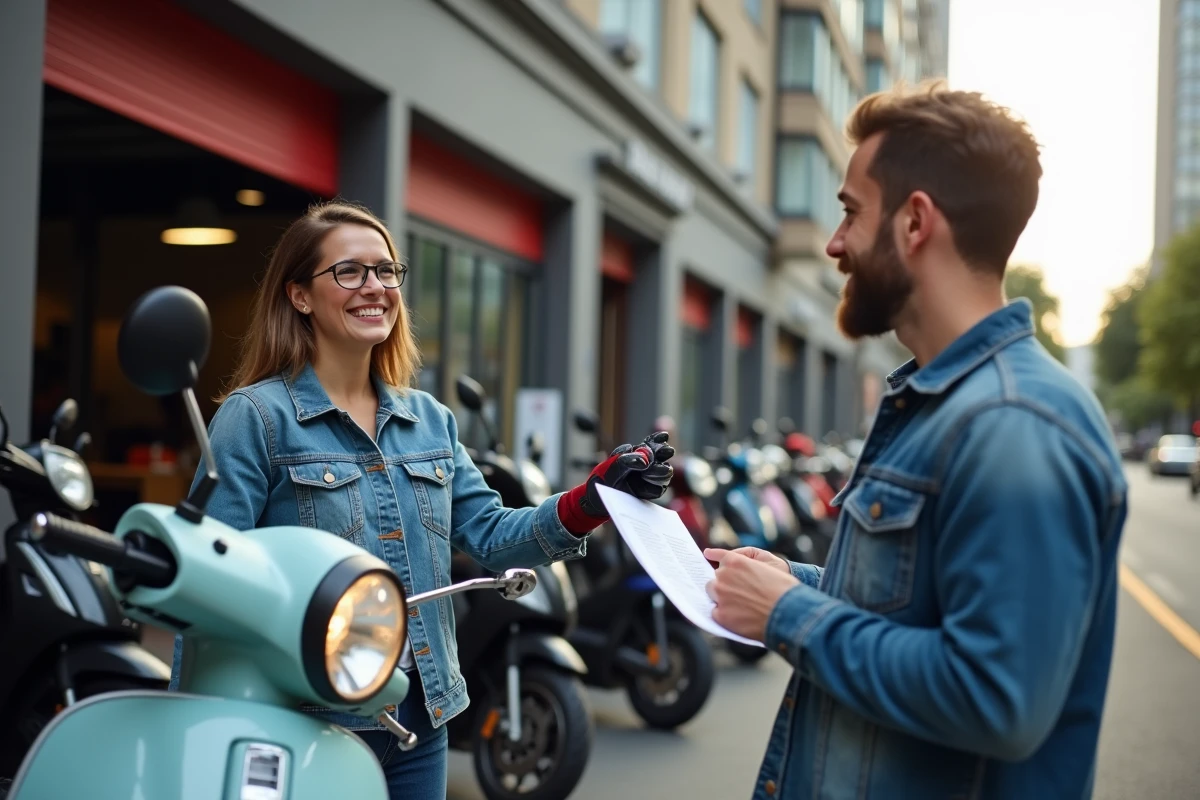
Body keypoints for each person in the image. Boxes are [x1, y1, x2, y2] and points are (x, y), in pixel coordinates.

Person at [166, 200, 674, 799]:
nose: (375, 287)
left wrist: (591, 500)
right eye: (349, 272)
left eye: (386, 271)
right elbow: (208, 586)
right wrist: (194, 726)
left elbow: (489, 533)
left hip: (420, 716)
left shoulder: (430, 420)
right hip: (307, 716)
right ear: (300, 295)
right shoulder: (254, 418)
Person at [705, 82, 1127, 799]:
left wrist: (785, 614)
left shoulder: (1013, 425)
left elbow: (994, 699)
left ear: (915, 222)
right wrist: (792, 584)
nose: (836, 244)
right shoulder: (941, 402)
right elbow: (917, 610)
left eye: (850, 212)